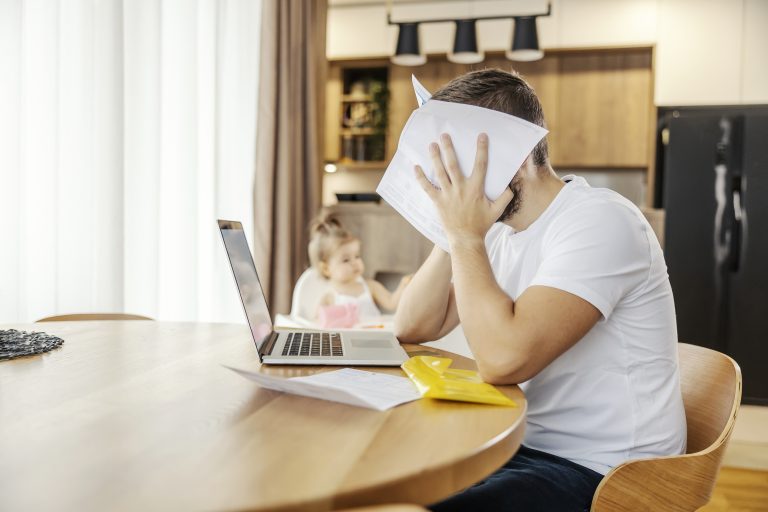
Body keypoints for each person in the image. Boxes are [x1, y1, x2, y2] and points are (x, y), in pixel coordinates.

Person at [393, 69, 687, 512]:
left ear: (517, 155)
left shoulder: (599, 220)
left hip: (606, 471)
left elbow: (502, 360)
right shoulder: (494, 231)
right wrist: (451, 230)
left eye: (461, 163)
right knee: (396, 487)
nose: (452, 179)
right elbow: (414, 323)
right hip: (520, 444)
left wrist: (465, 236)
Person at [308, 212, 410, 325]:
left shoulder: (371, 286)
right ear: (326, 268)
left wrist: (403, 286)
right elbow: (316, 324)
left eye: (357, 256)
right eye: (346, 260)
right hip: (346, 340)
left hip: (375, 338)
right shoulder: (329, 297)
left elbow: (391, 303)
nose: (355, 263)